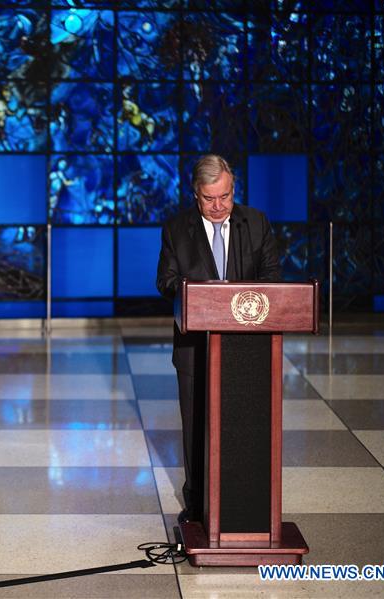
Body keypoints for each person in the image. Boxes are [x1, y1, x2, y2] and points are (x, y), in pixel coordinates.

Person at [156, 154, 281, 524]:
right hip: (195, 351)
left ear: (233, 190)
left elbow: (272, 276)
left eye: (224, 197)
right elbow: (164, 281)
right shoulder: (177, 229)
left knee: (244, 427)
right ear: (196, 194)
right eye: (209, 199)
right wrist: (197, 294)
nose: (218, 206)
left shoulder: (255, 223)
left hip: (249, 349)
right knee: (196, 429)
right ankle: (196, 506)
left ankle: (242, 503)